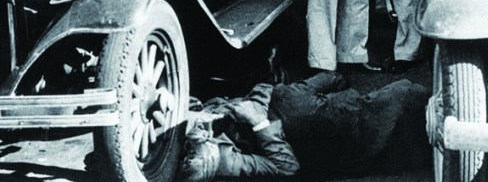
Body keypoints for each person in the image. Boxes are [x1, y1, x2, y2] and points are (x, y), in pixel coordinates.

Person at [179, 71, 430, 180]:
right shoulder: (219, 157)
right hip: (315, 137)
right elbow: (287, 168)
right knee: (405, 106)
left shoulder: (195, 115)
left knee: (403, 98)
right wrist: (259, 122)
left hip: (295, 109)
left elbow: (205, 103)